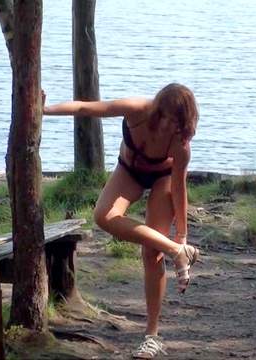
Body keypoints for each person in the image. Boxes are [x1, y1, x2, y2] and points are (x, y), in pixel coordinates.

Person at [43, 83, 200, 359]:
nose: (168, 128)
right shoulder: (136, 110)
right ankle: (177, 253)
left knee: (152, 252)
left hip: (163, 179)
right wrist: (44, 110)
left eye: (177, 124)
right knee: (103, 216)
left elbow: (178, 188)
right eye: (166, 119)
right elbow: (85, 108)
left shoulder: (180, 146)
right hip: (129, 169)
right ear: (157, 109)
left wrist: (182, 236)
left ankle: (151, 336)